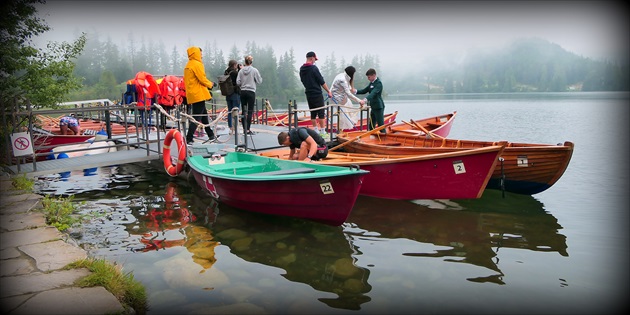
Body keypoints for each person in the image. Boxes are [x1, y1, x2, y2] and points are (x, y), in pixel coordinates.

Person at [183, 46, 216, 145]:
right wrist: (211, 84)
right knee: (196, 117)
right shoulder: (197, 64)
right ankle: (189, 138)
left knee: (204, 115)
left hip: (193, 94)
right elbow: (202, 78)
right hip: (198, 94)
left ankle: (211, 135)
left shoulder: (188, 65)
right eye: (200, 53)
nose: (202, 55)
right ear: (196, 53)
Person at [299, 51, 332, 136]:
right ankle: (323, 132)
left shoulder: (302, 69)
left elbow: (302, 80)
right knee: (321, 112)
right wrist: (328, 91)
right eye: (314, 59)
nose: (315, 61)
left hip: (308, 93)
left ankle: (316, 130)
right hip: (317, 93)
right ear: (312, 58)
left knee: (313, 112)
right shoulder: (313, 68)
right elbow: (321, 81)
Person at [330, 66, 365, 130]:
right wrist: (359, 101)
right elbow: (348, 94)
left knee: (349, 107)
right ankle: (341, 129)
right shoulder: (343, 80)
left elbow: (348, 91)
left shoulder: (342, 76)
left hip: (340, 97)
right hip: (337, 99)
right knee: (344, 113)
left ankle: (343, 128)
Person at [236, 55, 262, 135]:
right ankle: (248, 129)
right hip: (251, 92)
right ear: (251, 62)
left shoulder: (241, 71)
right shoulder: (254, 70)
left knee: (244, 111)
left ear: (245, 62)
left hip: (243, 91)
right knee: (250, 111)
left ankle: (244, 129)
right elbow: (259, 81)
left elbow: (238, 82)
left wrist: (243, 84)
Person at [356, 68, 385, 133]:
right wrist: (355, 91)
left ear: (374, 75)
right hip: (373, 107)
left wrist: (365, 100)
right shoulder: (371, 83)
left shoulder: (378, 83)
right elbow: (364, 90)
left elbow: (373, 93)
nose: (368, 78)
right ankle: (372, 137)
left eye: (369, 77)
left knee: (381, 125)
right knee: (371, 125)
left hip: (378, 107)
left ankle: (384, 139)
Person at [224, 60, 241, 134]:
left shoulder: (226, 72)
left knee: (230, 111)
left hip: (228, 93)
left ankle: (230, 127)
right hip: (235, 93)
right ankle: (235, 128)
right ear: (234, 65)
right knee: (235, 111)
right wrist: (240, 69)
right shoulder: (235, 73)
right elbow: (240, 80)